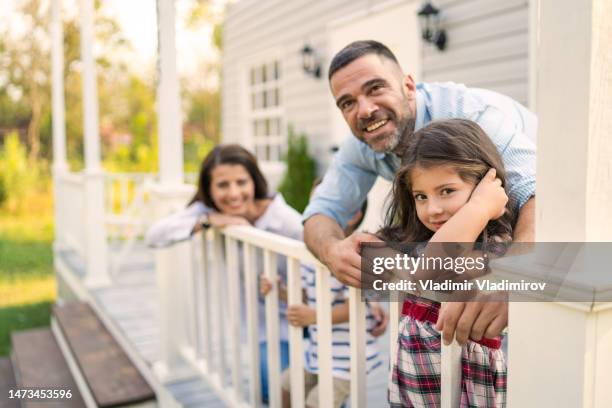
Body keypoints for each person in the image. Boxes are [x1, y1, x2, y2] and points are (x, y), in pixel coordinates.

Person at [302, 40, 536, 345]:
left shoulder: (473, 116)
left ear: (408, 87)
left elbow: (538, 195)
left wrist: (513, 277)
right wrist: (331, 250)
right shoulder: (361, 145)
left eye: (375, 89)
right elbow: (319, 213)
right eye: (347, 103)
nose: (365, 110)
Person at [145, 144, 302, 404]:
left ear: (254, 181)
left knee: (313, 394)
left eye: (241, 182)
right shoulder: (211, 212)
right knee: (269, 391)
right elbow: (155, 236)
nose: (233, 194)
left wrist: (373, 297)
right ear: (209, 189)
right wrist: (208, 221)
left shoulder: (284, 220)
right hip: (269, 329)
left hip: (313, 320)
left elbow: (324, 253)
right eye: (222, 185)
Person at [380, 119, 513, 407]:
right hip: (414, 384)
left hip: (463, 389)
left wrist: (479, 208)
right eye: (421, 196)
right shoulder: (423, 240)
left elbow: (431, 270)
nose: (433, 209)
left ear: (483, 188)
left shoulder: (492, 245)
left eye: (447, 191)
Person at [261, 196, 388, 408]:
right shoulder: (310, 255)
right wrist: (278, 290)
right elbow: (305, 295)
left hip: (348, 358)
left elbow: (354, 309)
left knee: (318, 402)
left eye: (323, 203)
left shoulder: (358, 254)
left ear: (354, 213)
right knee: (285, 385)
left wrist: (314, 316)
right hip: (317, 352)